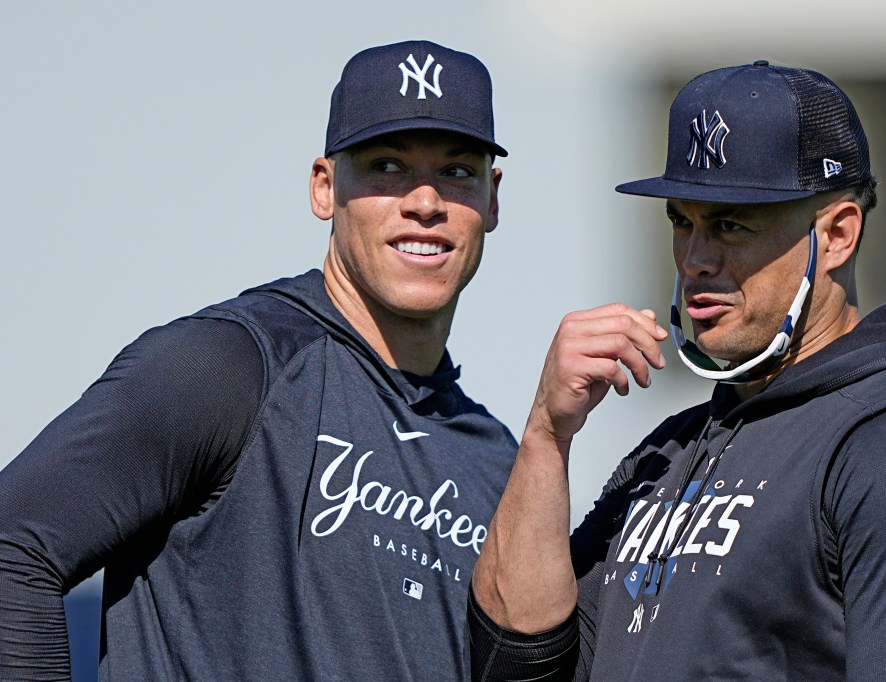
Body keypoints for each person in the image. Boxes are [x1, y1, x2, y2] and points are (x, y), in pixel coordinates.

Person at [0, 40, 518, 680]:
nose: (424, 202)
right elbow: (12, 549)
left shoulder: (497, 461)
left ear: (492, 200)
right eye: (386, 166)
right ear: (324, 187)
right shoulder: (224, 366)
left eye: (457, 172)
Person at [468, 61, 886, 681]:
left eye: (730, 224)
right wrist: (546, 436)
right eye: (682, 221)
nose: (695, 259)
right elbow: (518, 668)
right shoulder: (668, 451)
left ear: (836, 236)